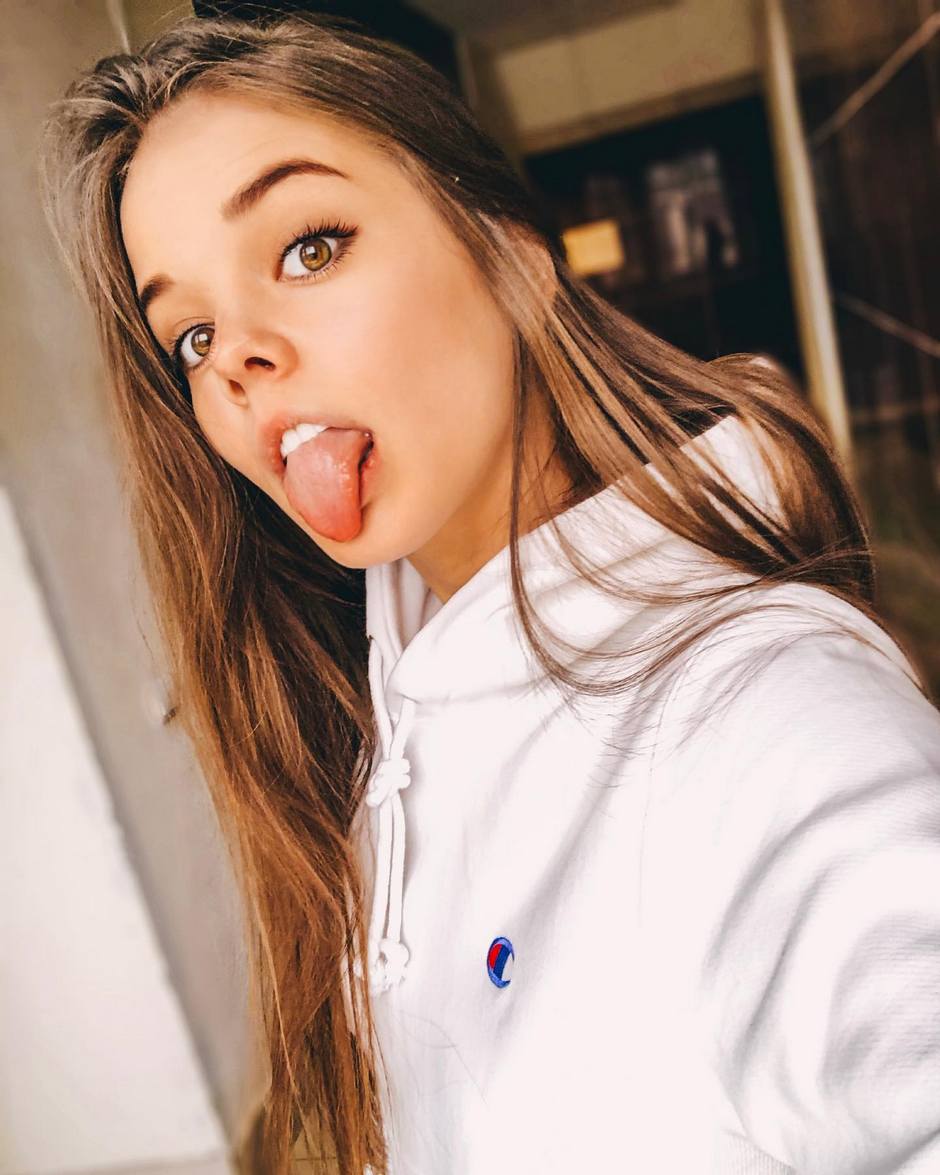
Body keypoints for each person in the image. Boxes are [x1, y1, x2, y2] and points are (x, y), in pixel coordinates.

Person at [38, 12, 940, 1175]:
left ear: (510, 254)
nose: (238, 359)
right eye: (191, 335)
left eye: (308, 247)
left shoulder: (760, 713)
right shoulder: (369, 689)